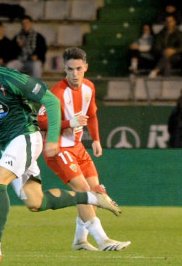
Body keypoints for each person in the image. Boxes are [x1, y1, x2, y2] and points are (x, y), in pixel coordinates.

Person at [0, 38, 121, 263]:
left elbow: (50, 101)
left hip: (25, 137)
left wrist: (52, 139)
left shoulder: (12, 79)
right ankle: (91, 197)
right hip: (9, 145)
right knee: (36, 203)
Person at [38, 48, 131, 251]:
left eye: (79, 69)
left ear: (86, 68)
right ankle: (103, 240)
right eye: (70, 69)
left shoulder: (89, 87)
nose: (74, 74)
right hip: (58, 148)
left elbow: (92, 114)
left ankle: (80, 241)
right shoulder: (56, 93)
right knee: (83, 192)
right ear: (64, 68)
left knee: (94, 195)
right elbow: (40, 121)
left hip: (78, 148)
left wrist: (96, 139)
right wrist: (68, 123)